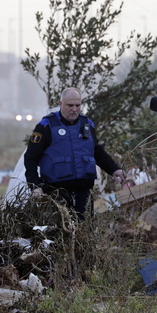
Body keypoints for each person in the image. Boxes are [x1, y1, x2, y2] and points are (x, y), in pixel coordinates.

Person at [24, 87, 127, 220]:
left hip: (83, 191)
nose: (74, 109)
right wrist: (35, 186)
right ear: (60, 104)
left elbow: (96, 151)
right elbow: (30, 157)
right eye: (70, 105)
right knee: (61, 231)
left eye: (78, 105)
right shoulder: (46, 126)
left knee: (84, 230)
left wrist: (114, 169)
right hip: (56, 192)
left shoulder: (87, 124)